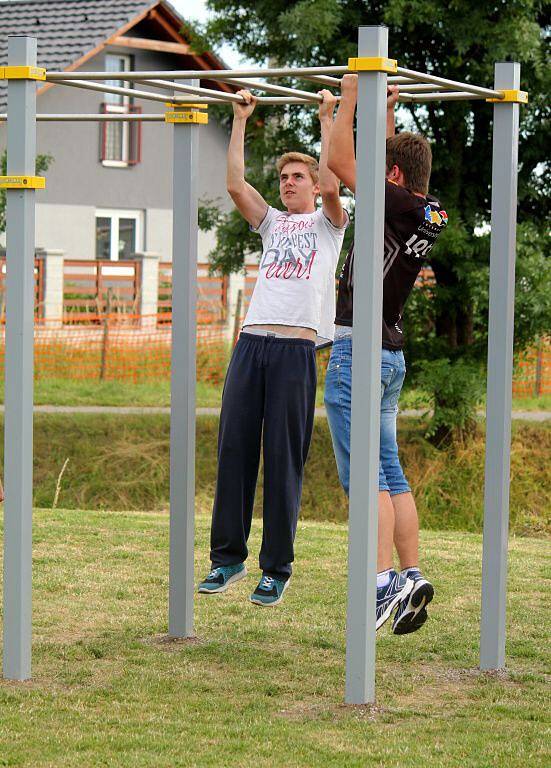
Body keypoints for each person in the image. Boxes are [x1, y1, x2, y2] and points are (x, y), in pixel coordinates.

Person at [198, 88, 348, 606]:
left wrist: (327, 119)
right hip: (251, 343)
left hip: (293, 353)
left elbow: (333, 182)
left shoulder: (330, 225)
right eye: (283, 177)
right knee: (234, 448)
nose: (288, 183)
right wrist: (239, 120)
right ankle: (226, 560)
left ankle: (276, 568)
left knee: (283, 456)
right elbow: (237, 186)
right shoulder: (273, 223)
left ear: (312, 185)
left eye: (296, 177)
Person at [325, 75, 448, 633]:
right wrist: (387, 117)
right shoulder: (429, 210)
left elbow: (337, 157)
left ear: (392, 177)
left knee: (367, 476)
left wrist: (349, 99)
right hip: (393, 353)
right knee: (392, 472)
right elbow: (384, 172)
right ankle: (409, 572)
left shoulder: (392, 199)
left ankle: (377, 585)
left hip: (361, 349)